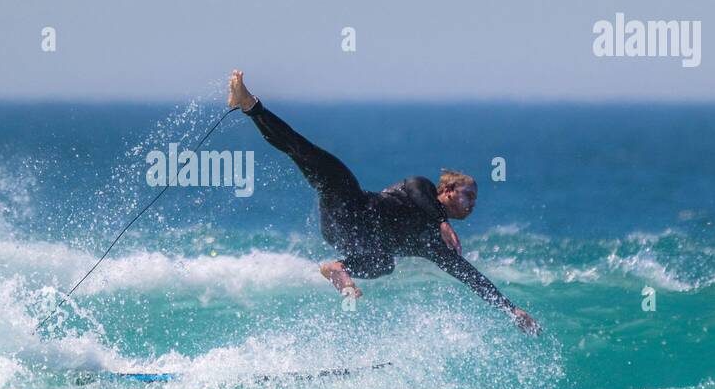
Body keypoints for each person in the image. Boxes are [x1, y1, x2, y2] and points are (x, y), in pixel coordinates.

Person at [227, 70, 540, 335]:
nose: (471, 203)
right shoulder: (422, 188)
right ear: (447, 190)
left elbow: (470, 276)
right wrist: (442, 221)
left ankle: (338, 268)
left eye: (474, 199)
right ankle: (250, 105)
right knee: (303, 151)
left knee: (384, 264)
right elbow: (417, 193)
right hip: (348, 206)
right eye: (467, 194)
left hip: (347, 237)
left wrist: (510, 309)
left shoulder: (432, 244)